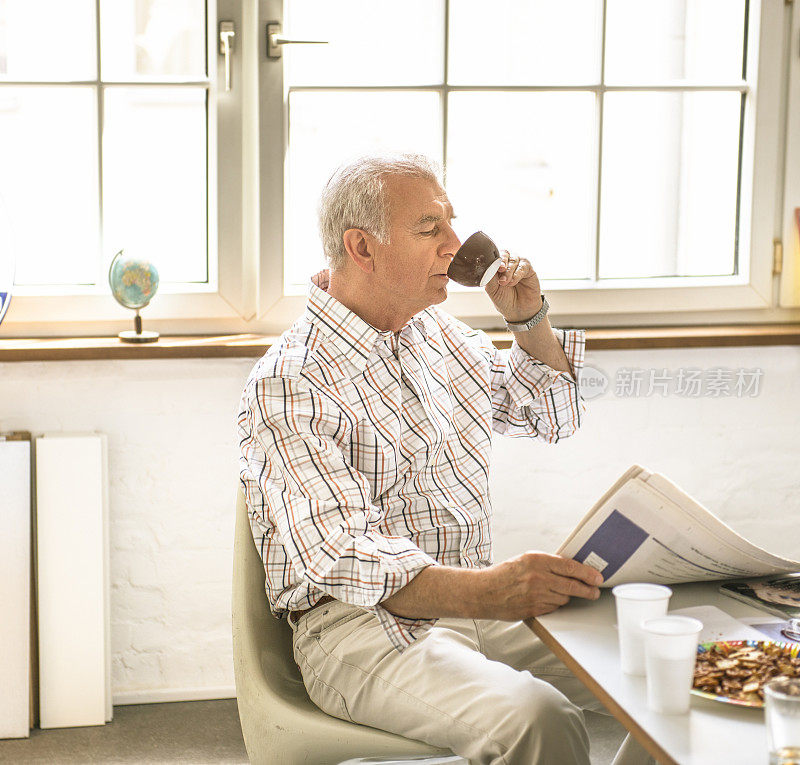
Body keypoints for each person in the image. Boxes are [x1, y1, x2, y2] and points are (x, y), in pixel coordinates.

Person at [238, 154, 653, 764]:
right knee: (539, 720)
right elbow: (341, 558)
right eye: (431, 229)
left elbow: (550, 417)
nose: (456, 247)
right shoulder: (291, 379)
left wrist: (527, 321)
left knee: (660, 660)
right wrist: (491, 592)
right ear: (362, 246)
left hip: (473, 602)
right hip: (362, 631)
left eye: (452, 224)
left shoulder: (440, 336)